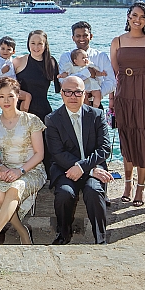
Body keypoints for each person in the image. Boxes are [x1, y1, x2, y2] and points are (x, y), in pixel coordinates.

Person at [45, 76, 113, 245]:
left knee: (93, 191)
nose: (73, 96)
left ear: (85, 94)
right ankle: (64, 234)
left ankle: (100, 239)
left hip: (93, 168)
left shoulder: (97, 115)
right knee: (64, 194)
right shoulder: (52, 119)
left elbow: (104, 148)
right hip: (65, 169)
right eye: (68, 92)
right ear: (61, 94)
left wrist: (85, 168)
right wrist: (87, 169)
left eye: (77, 92)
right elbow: (57, 153)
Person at [110, 1, 145, 206]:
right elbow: (113, 76)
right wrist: (112, 99)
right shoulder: (117, 41)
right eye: (134, 15)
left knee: (143, 140)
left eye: (142, 16)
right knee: (127, 139)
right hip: (124, 96)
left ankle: (140, 188)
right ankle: (127, 184)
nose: (137, 19)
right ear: (128, 17)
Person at [0, 77, 46, 246]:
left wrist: (20, 171)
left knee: (15, 187)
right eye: (2, 96)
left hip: (31, 169)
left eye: (10, 96)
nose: (6, 100)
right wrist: (1, 167)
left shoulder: (31, 120)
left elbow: (39, 153)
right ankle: (22, 232)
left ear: (18, 96)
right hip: (5, 171)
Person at [13, 30, 60, 178]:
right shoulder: (18, 61)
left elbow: (61, 87)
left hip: (43, 110)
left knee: (45, 147)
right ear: (28, 44)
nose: (36, 46)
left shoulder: (51, 62)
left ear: (45, 45)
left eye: (40, 43)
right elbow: (6, 86)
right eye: (33, 43)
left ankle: (46, 176)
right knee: (22, 145)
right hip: (23, 110)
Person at [58, 21, 116, 105]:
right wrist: (87, 73)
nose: (81, 39)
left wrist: (94, 93)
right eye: (78, 36)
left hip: (95, 101)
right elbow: (63, 81)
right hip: (73, 102)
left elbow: (111, 81)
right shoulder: (66, 57)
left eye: (85, 35)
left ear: (91, 36)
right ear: (73, 38)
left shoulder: (101, 56)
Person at [0, 36, 32, 112]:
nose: (5, 51)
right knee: (27, 96)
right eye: (3, 49)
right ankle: (24, 117)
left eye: (9, 49)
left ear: (13, 52)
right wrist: (2, 71)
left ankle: (22, 115)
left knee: (22, 100)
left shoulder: (10, 59)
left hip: (12, 87)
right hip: (3, 88)